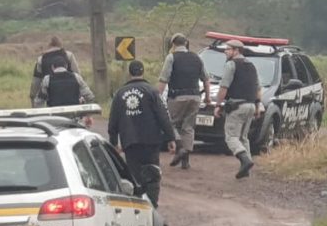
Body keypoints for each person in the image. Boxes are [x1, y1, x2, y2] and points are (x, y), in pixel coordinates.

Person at [108, 61, 177, 207]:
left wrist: (114, 142)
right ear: (143, 72)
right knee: (153, 174)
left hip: (130, 142)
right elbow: (163, 116)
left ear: (129, 73)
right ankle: (152, 204)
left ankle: (138, 203)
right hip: (151, 141)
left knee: (134, 176)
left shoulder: (120, 94)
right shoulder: (152, 91)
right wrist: (171, 138)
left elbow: (113, 121)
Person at [157, 33, 211, 170]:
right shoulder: (197, 58)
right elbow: (206, 79)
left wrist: (157, 97)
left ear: (173, 44)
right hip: (195, 97)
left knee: (170, 123)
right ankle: (185, 161)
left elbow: (164, 79)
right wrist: (208, 97)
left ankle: (180, 148)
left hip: (177, 96)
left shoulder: (171, 57)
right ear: (186, 43)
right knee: (188, 127)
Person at [213, 39, 264, 179]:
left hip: (237, 106)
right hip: (251, 106)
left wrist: (218, 105)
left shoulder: (231, 65)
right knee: (243, 137)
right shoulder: (252, 66)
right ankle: (246, 168)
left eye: (228, 49)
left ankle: (245, 160)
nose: (225, 51)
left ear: (236, 51)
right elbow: (258, 89)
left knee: (231, 137)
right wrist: (257, 107)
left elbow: (224, 87)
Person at [29, 37, 81, 107]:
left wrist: (33, 98)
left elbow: (36, 83)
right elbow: (77, 75)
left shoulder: (41, 59)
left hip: (52, 99)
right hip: (71, 98)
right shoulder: (69, 55)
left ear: (49, 46)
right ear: (60, 44)